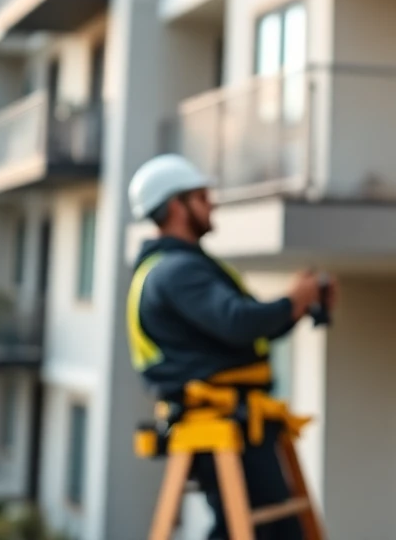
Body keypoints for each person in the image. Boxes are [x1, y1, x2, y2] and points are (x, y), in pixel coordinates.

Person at [127, 154, 334, 540]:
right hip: (222, 420)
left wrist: (296, 307)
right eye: (202, 197)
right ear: (176, 206)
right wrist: (293, 298)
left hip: (234, 418)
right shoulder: (176, 271)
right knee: (264, 531)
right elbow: (239, 322)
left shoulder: (182, 267)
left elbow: (247, 333)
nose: (212, 204)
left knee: (267, 528)